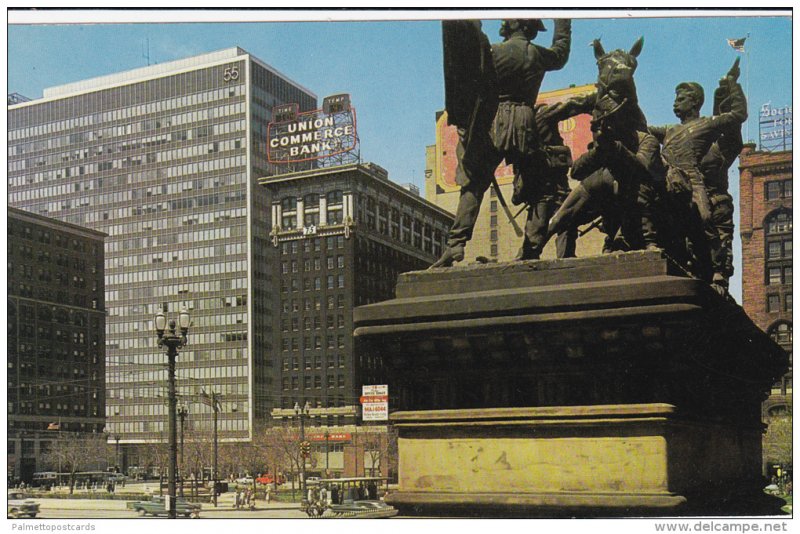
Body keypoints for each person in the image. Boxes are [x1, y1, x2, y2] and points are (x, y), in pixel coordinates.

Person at [432, 18, 572, 267]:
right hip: (525, 123)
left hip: (494, 122)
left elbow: (470, 81)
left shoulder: (493, 52)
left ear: (513, 24)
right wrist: (563, 19)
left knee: (474, 184)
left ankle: (456, 244)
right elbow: (560, 55)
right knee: (541, 190)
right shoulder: (538, 54)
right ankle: (531, 248)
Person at [649, 61, 747, 286]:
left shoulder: (718, 146)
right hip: (677, 191)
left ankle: (717, 278)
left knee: (707, 227)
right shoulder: (671, 131)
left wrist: (731, 85)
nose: (675, 102)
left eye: (681, 98)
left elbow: (734, 121)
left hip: (711, 201)